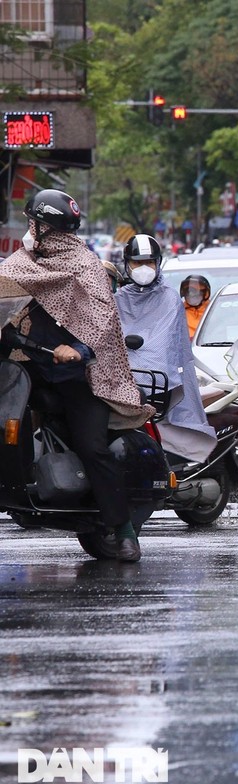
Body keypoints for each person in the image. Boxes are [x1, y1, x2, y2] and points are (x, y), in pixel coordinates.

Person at [0, 189, 151, 562]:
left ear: (48, 228)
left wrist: (78, 351)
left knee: (92, 447)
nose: (31, 229)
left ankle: (123, 529)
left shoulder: (85, 267)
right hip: (29, 369)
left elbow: (102, 325)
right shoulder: (23, 264)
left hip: (80, 377)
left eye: (35, 223)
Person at [116, 234, 217, 465]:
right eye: (137, 263)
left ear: (158, 263)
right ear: (127, 264)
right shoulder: (118, 299)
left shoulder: (170, 298)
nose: (144, 268)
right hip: (121, 385)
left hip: (160, 383)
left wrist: (147, 364)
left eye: (149, 262)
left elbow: (167, 345)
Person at [180, 274, 211, 339]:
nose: (191, 294)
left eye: (195, 290)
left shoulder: (212, 311)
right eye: (188, 290)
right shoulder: (178, 312)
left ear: (206, 293)